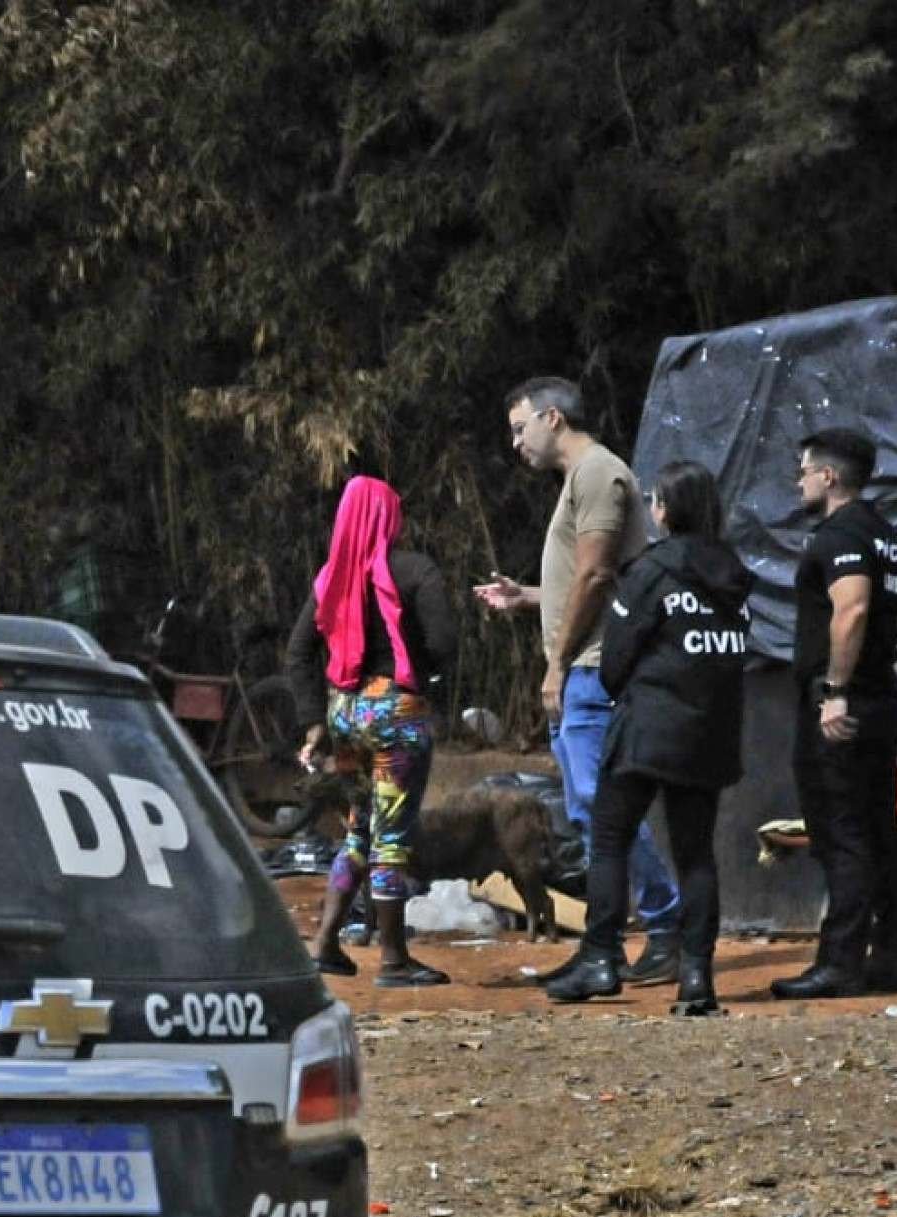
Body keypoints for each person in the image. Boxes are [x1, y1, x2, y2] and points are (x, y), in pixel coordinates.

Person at [472, 375, 683, 985]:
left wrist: (556, 664)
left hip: (591, 668)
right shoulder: (581, 480)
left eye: (520, 428)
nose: (516, 443)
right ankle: (607, 939)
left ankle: (663, 926)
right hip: (581, 667)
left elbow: (595, 580)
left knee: (601, 805)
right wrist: (529, 596)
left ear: (553, 419)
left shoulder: (597, 474)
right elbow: (582, 582)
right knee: (589, 811)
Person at [544, 463, 751, 1013]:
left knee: (610, 836)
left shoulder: (651, 570)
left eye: (657, 500)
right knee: (696, 854)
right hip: (710, 731)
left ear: (665, 510)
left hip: (647, 729)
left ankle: (601, 958)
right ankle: (697, 980)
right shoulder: (733, 574)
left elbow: (615, 659)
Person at [284, 474, 458, 987]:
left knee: (361, 827)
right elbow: (445, 641)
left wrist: (314, 721)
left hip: (347, 716)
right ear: (389, 518)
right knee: (392, 838)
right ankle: (394, 960)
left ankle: (325, 945)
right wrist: (417, 670)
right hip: (395, 717)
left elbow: (298, 654)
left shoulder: (331, 581)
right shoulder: (415, 570)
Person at [772, 426, 897, 999]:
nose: (799, 480)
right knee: (879, 827)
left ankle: (841, 963)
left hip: (845, 704)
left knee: (842, 832)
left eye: (804, 470)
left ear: (829, 476)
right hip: (882, 696)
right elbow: (893, 619)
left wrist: (835, 690)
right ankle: (891, 957)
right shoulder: (887, 535)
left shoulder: (842, 534)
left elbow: (852, 610)